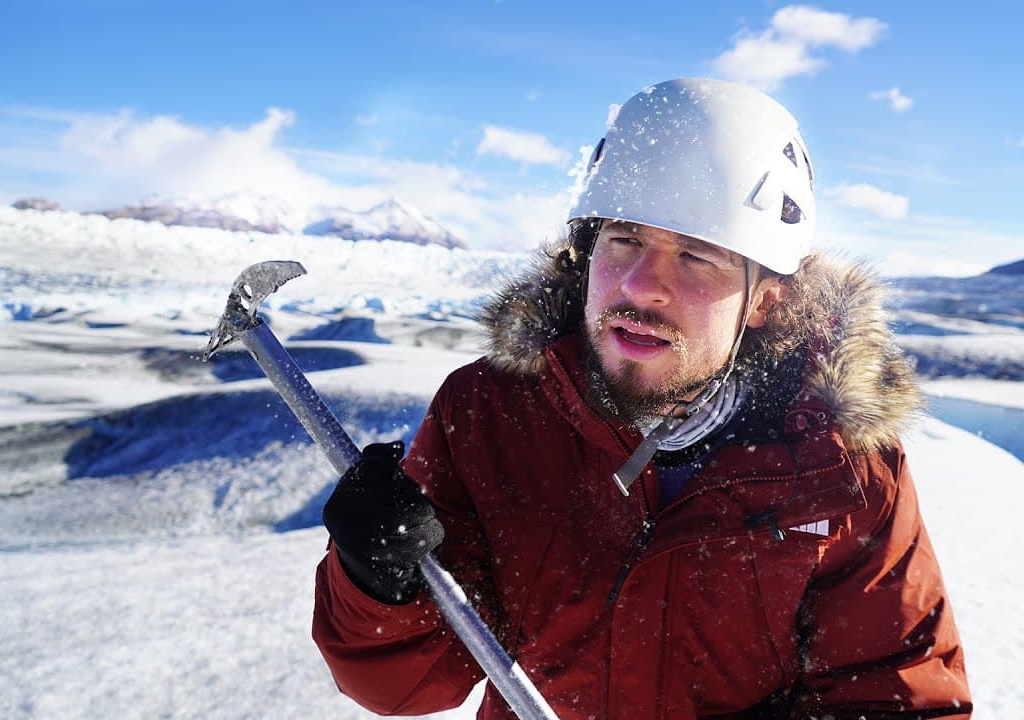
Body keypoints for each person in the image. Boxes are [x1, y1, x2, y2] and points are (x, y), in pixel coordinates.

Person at [313, 77, 972, 719]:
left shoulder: (841, 466)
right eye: (623, 239)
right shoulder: (488, 413)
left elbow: (898, 694)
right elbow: (408, 687)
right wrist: (379, 587)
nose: (640, 285)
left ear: (766, 299)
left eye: (696, 256)